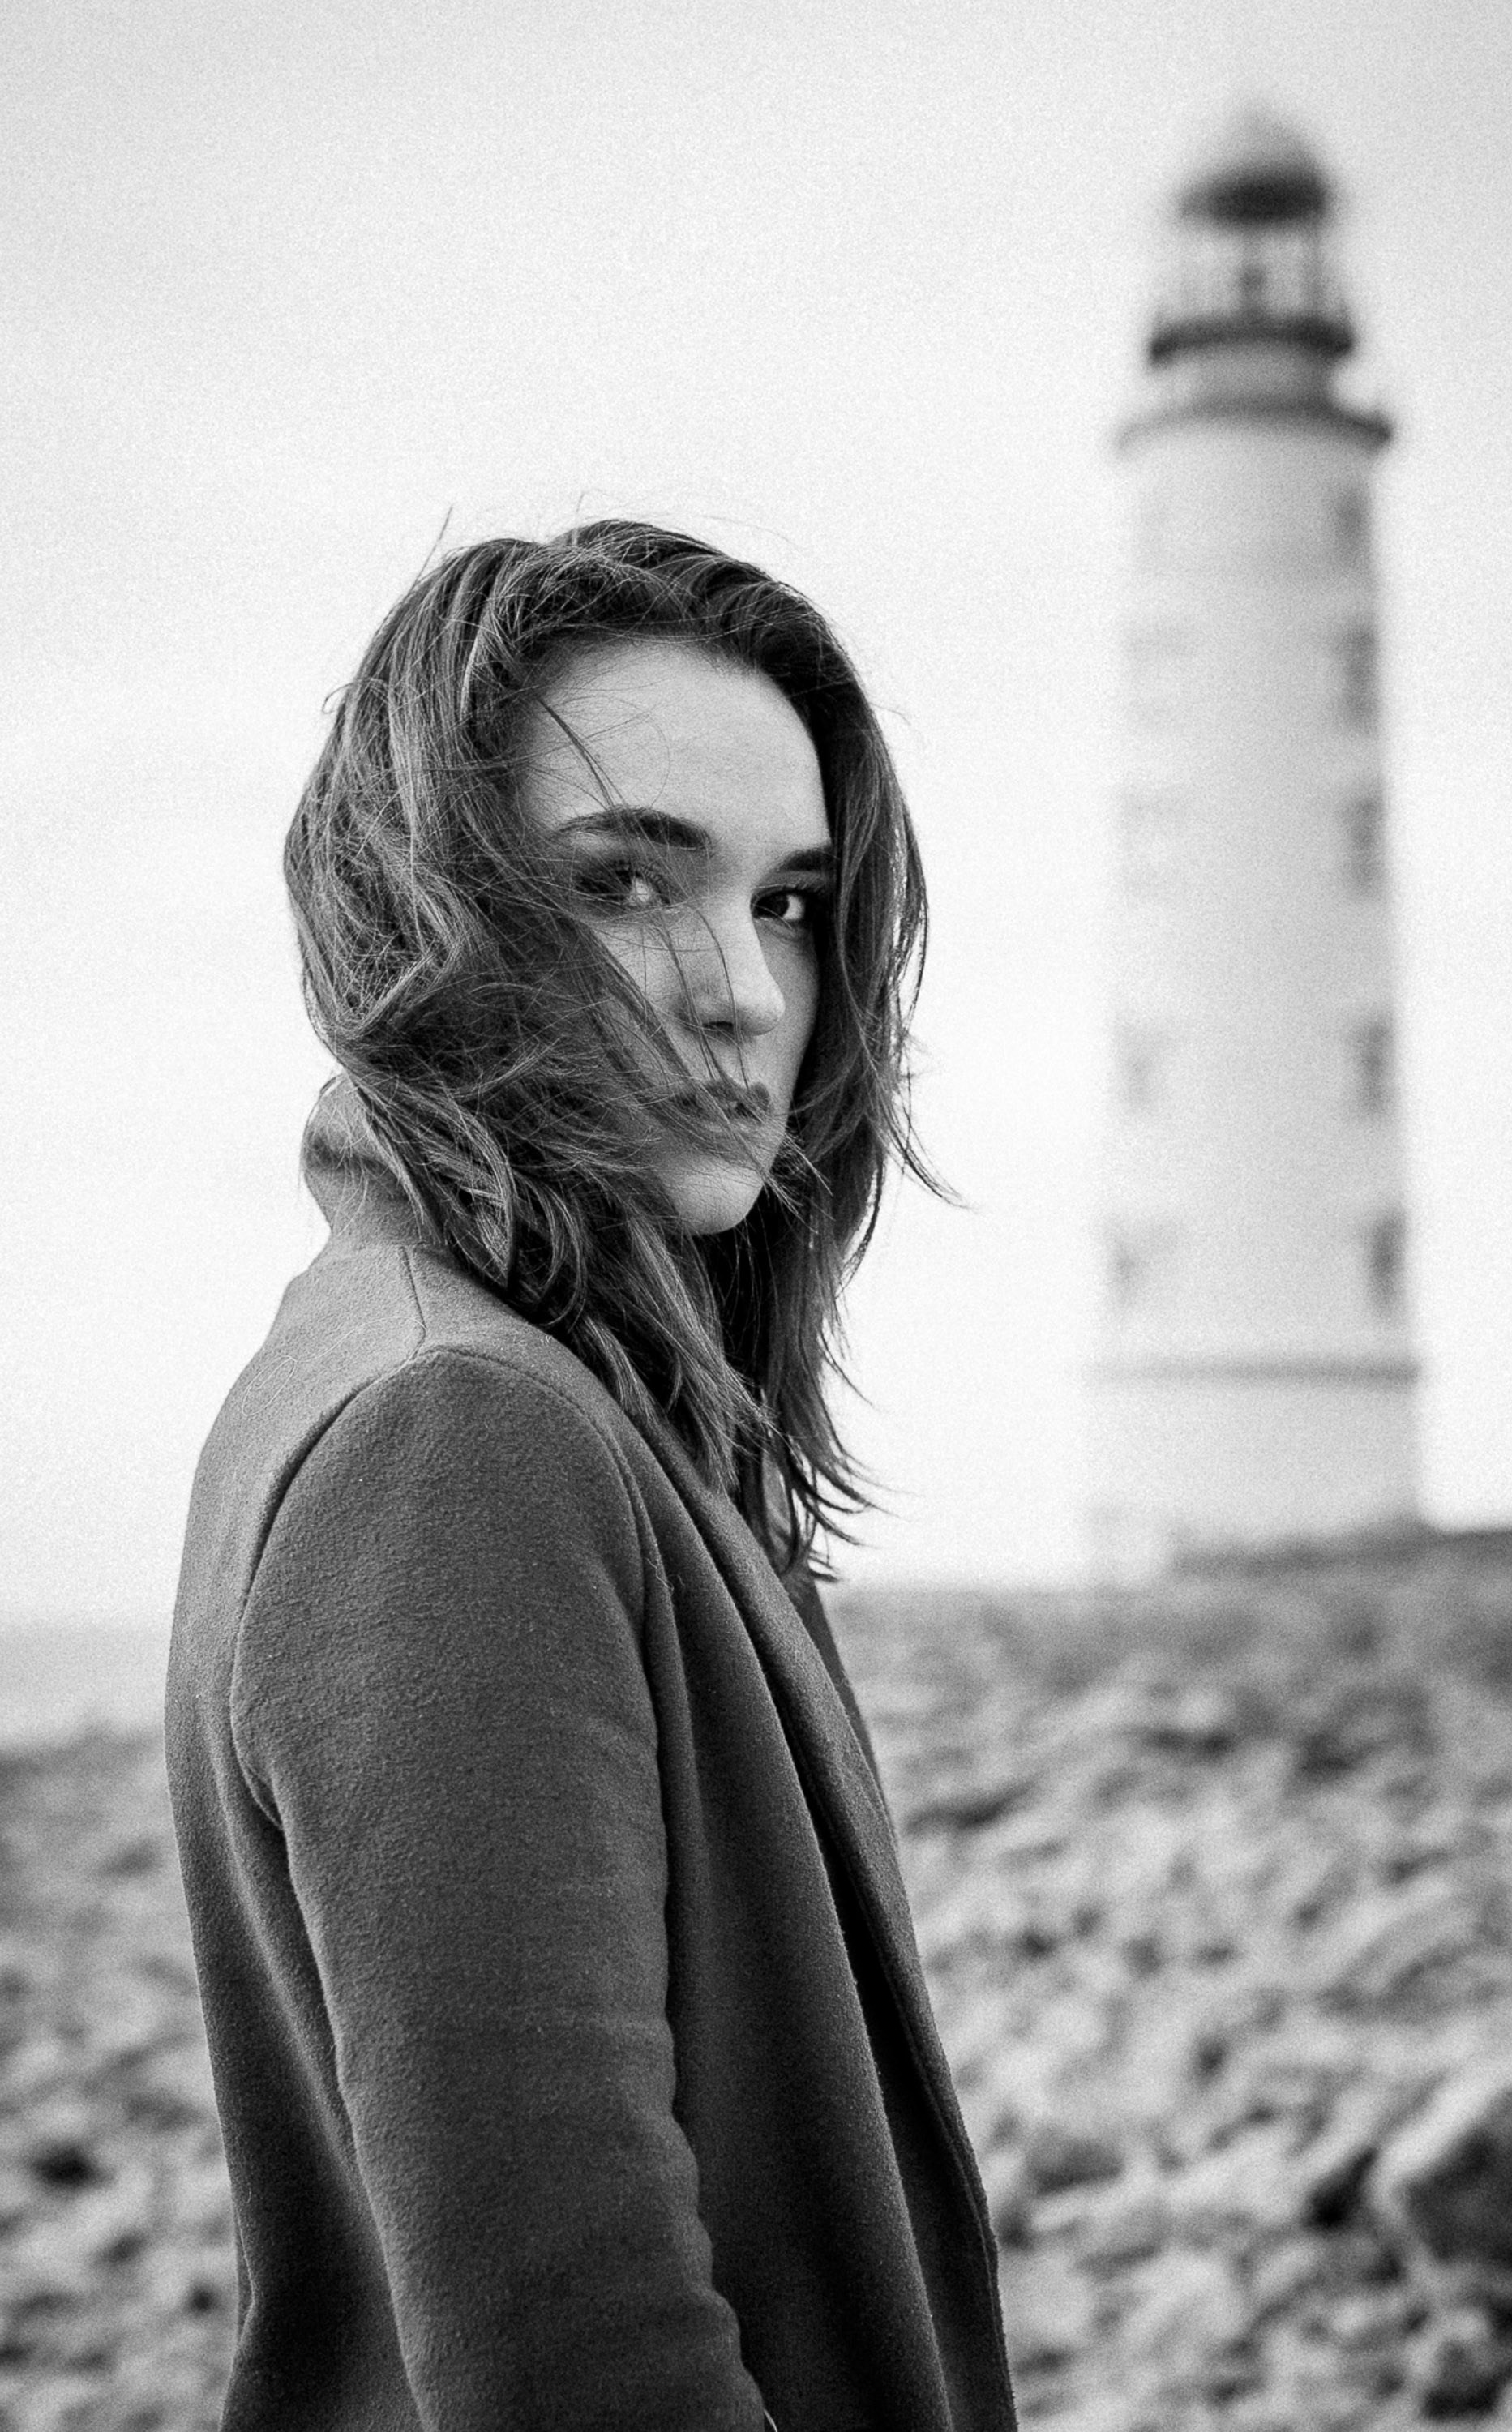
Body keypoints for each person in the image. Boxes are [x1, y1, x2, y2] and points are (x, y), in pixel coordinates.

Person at [166, 521, 1017, 2431]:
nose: (740, 994)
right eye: (627, 880)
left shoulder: (512, 1378)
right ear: (420, 916)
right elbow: (576, 2348)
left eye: (793, 901)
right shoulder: (454, 1436)